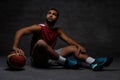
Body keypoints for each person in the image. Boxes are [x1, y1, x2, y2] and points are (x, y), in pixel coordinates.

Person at [12, 8, 113, 71]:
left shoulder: (57, 30)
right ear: (46, 15)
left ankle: (93, 62)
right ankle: (65, 62)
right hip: (38, 59)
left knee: (73, 48)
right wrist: (15, 46)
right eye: (49, 13)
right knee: (40, 42)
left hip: (51, 57)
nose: (51, 15)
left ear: (57, 18)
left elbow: (68, 40)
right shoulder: (38, 27)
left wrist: (78, 46)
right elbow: (20, 32)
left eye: (54, 14)